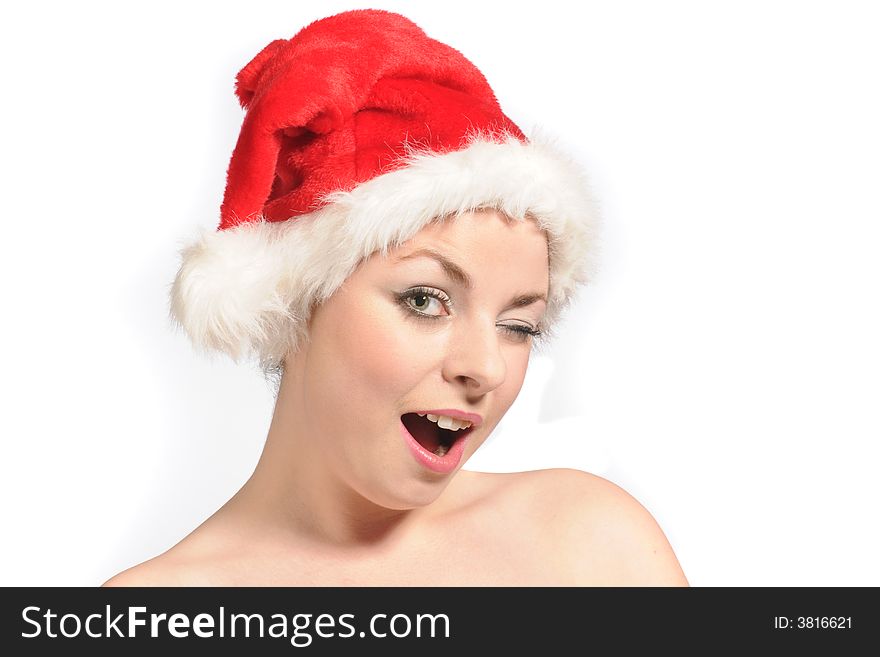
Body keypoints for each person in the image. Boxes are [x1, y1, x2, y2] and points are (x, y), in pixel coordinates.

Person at [104, 9, 687, 586]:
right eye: (425, 301)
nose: (485, 368)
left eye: (519, 325)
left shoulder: (592, 543)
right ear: (297, 299)